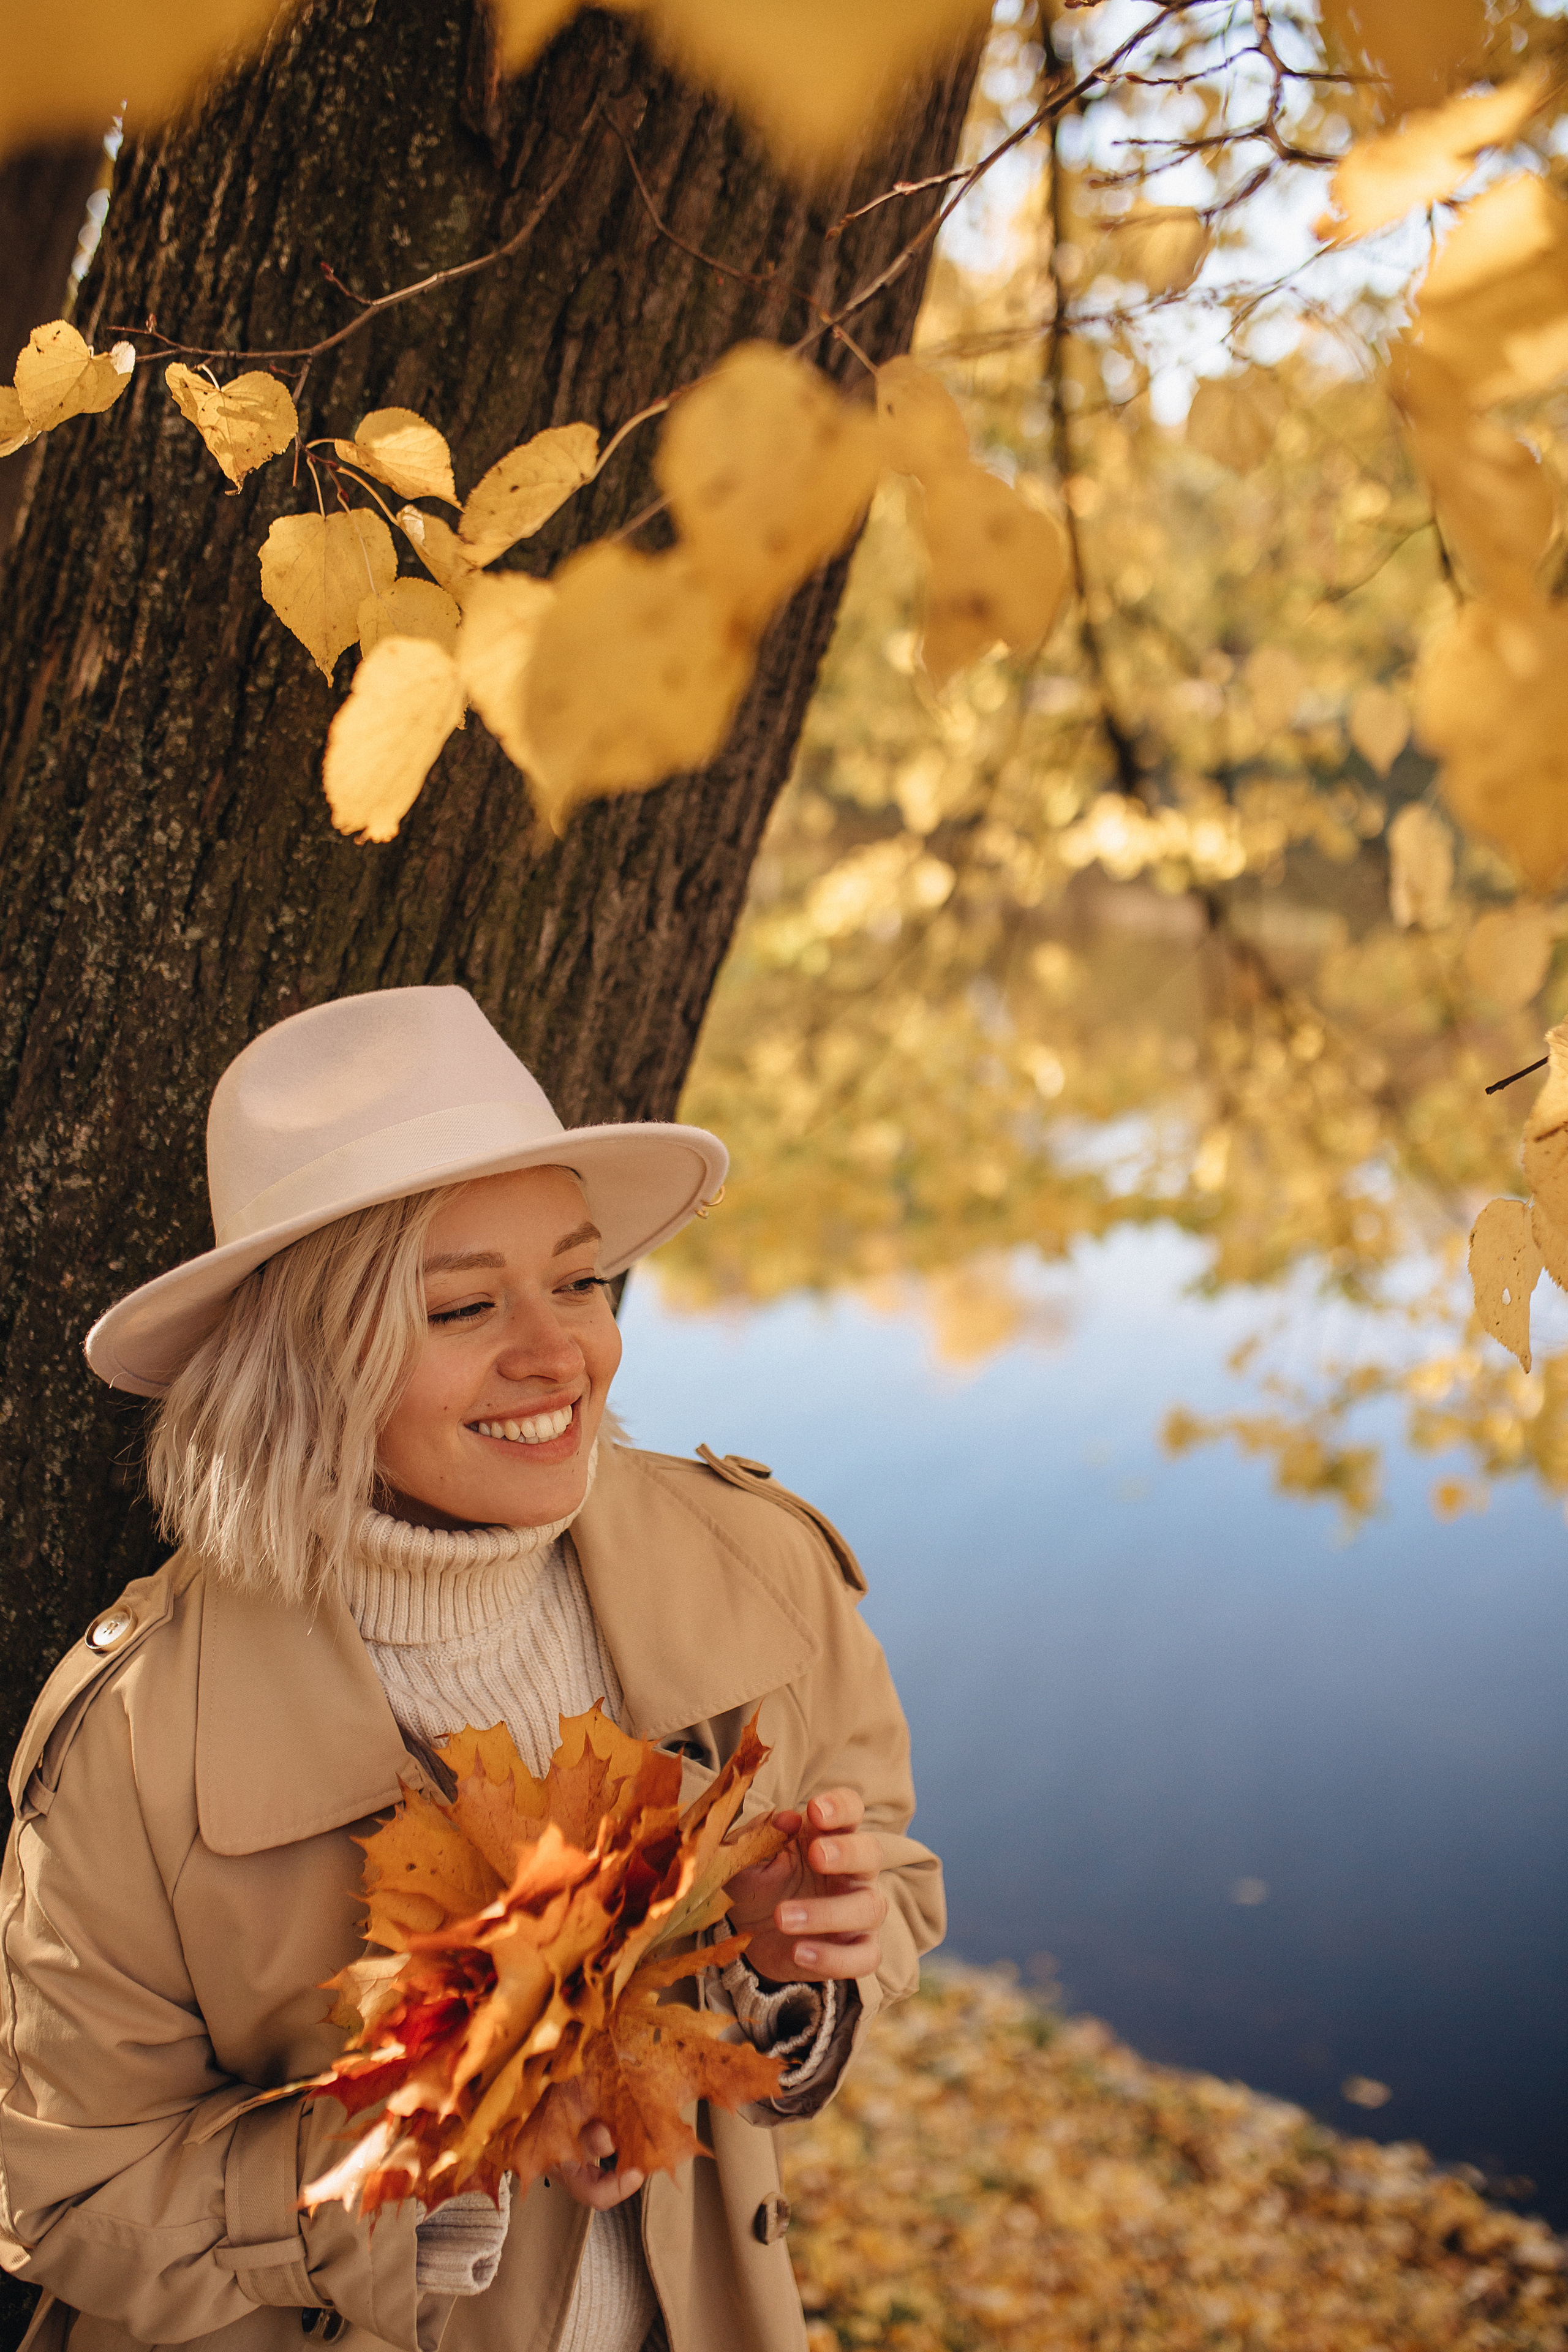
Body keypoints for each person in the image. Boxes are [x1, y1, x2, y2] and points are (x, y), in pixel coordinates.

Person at [0, 986, 944, 2352]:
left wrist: (792, 1961)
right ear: (304, 1361)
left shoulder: (757, 1567)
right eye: (461, 1307)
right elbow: (74, 2196)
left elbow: (890, 1876)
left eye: (579, 1280)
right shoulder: (139, 1736)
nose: (560, 1355)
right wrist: (434, 2152)